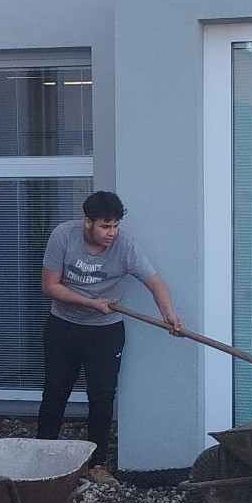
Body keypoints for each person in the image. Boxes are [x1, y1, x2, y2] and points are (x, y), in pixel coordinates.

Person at [36, 191, 183, 484]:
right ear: (87, 222)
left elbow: (155, 282)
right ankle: (40, 456)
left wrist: (169, 313)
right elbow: (49, 286)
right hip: (63, 326)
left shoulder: (126, 247)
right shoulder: (63, 237)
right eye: (105, 226)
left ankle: (96, 464)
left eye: (115, 226)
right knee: (55, 391)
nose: (111, 233)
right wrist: (92, 303)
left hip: (106, 332)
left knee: (102, 395)